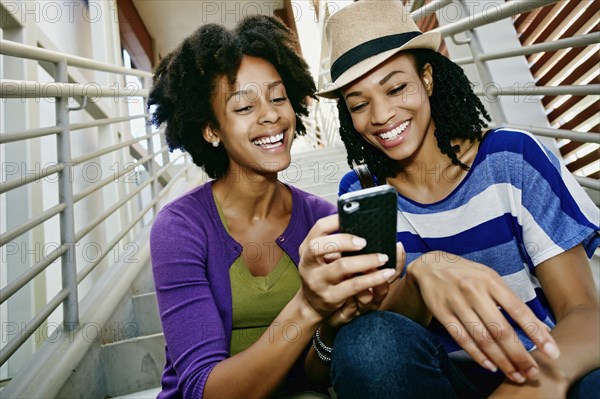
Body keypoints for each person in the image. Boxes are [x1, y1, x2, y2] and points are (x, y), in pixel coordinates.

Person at [315, 2, 600, 398]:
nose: (380, 115)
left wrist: (535, 386)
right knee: (366, 341)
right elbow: (379, 340)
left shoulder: (511, 159)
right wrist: (418, 278)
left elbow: (584, 312)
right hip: (440, 377)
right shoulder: (362, 194)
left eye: (397, 88)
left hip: (538, 367)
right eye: (359, 104)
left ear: (427, 79)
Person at [148, 15, 402, 399]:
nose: (271, 115)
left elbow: (317, 375)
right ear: (211, 129)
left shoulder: (322, 218)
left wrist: (336, 321)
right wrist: (308, 305)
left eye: (278, 97)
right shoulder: (180, 228)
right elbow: (203, 390)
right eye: (244, 107)